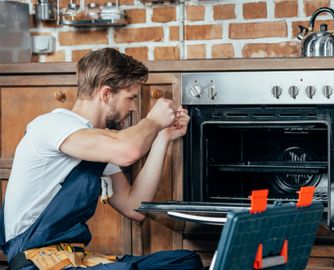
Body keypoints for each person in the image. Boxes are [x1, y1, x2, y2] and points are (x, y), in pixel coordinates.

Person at [0, 48, 204, 270]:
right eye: (131, 98)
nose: (134, 107)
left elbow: (134, 207)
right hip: (36, 263)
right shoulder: (53, 125)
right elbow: (128, 151)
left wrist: (163, 138)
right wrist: (153, 122)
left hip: (74, 259)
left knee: (185, 260)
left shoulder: (99, 144)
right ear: (106, 94)